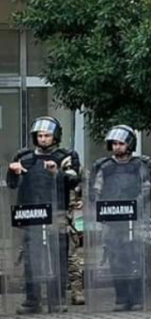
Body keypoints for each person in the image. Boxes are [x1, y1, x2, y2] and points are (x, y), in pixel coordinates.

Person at [7, 116, 81, 313]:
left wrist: (57, 172)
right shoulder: (25, 157)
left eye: (47, 135)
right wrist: (13, 171)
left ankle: (56, 300)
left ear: (55, 136)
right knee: (31, 259)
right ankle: (32, 301)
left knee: (58, 258)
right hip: (31, 213)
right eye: (40, 135)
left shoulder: (66, 156)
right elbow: (13, 185)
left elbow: (73, 180)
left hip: (56, 214)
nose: (43, 139)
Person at [89, 125, 151, 311]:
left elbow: (148, 188)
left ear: (130, 144)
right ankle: (121, 298)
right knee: (116, 259)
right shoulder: (104, 166)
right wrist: (102, 207)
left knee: (135, 257)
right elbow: (95, 190)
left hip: (134, 219)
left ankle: (137, 298)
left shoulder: (141, 164)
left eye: (121, 143)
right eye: (115, 144)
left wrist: (134, 205)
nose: (117, 147)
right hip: (112, 220)